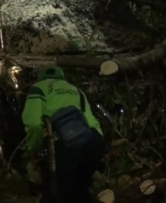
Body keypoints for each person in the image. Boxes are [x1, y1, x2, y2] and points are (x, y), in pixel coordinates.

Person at [21, 66, 106, 203]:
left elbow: (34, 124)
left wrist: (33, 148)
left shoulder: (38, 88)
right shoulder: (75, 89)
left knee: (56, 193)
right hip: (93, 141)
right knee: (80, 190)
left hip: (65, 145)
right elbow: (91, 121)